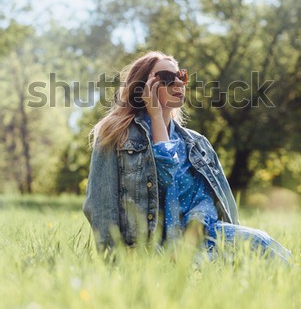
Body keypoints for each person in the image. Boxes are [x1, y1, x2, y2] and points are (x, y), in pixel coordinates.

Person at [83, 51, 291, 263]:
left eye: (181, 76)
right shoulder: (115, 135)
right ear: (142, 87)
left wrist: (193, 231)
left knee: (260, 244)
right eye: (166, 77)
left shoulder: (197, 143)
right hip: (149, 252)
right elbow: (101, 206)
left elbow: (206, 201)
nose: (178, 83)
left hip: (195, 242)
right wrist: (114, 262)